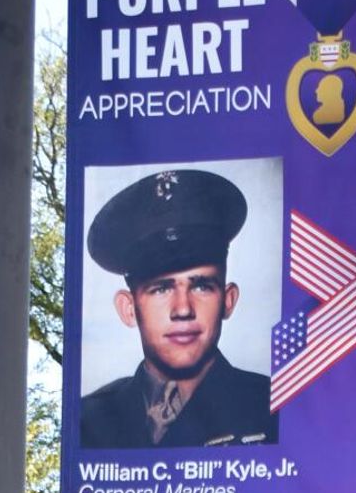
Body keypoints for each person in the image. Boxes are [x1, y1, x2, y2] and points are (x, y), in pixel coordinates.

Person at [80, 168, 279, 448]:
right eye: (161, 288)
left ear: (228, 300)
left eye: (201, 286)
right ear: (128, 308)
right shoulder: (88, 422)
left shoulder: (277, 408)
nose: (182, 308)